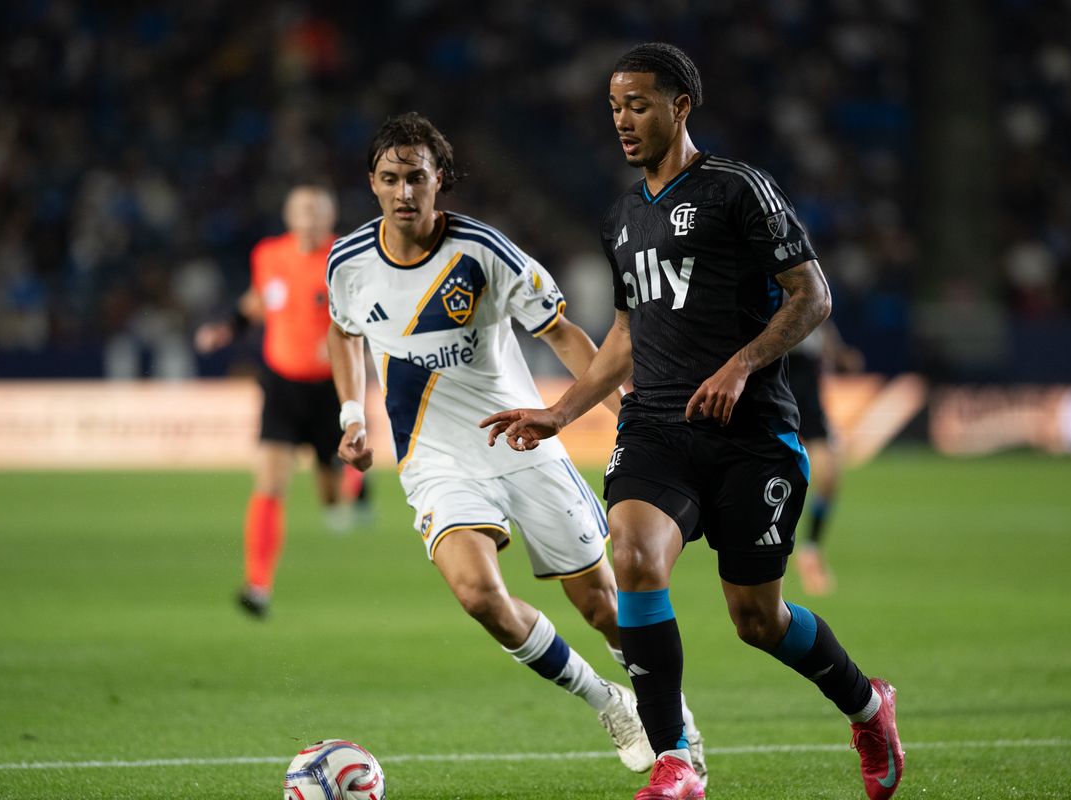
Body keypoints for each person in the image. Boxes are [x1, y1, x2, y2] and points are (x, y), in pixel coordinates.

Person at [482, 43, 903, 800]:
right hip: (655, 428)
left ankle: (868, 707)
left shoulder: (738, 189)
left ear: (681, 106)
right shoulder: (619, 216)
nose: (623, 121)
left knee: (757, 617)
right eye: (614, 108)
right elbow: (623, 337)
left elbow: (813, 297)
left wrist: (741, 365)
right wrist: (560, 411)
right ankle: (676, 760)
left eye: (638, 104)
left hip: (752, 436)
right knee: (635, 555)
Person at [326, 112, 706, 779]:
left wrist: (635, 414)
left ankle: (676, 724)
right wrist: (351, 412)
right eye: (391, 178)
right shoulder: (348, 263)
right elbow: (342, 329)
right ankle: (608, 702)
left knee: (605, 609)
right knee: (477, 595)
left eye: (416, 176)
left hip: (525, 443)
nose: (404, 191)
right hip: (436, 458)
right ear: (373, 183)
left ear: (439, 179)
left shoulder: (485, 254)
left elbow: (564, 336)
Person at [195, 184, 368, 619]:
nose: (308, 218)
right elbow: (258, 300)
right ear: (289, 217)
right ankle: (258, 586)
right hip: (281, 384)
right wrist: (227, 329)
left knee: (332, 499)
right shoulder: (269, 255)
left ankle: (355, 485)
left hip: (331, 386)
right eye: (301, 210)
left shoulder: (345, 259)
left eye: (316, 210)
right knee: (270, 481)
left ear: (330, 218)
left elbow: (367, 314)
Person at [788, 321, 864, 595]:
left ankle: (810, 551)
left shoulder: (812, 302)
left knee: (829, 477)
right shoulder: (770, 299)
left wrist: (841, 355)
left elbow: (826, 331)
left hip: (810, 405)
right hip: (775, 398)